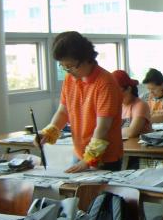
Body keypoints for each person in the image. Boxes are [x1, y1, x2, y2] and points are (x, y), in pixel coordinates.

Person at [39, 31, 123, 173]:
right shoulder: (70, 79)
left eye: (70, 66)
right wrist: (49, 132)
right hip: (80, 153)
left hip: (104, 158)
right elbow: (63, 111)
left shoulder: (105, 83)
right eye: (63, 66)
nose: (68, 71)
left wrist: (88, 159)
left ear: (86, 58)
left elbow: (103, 128)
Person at [112, 70, 151, 138]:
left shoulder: (140, 105)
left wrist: (110, 132)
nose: (115, 96)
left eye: (118, 92)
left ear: (128, 89)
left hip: (138, 144)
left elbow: (131, 132)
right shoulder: (117, 106)